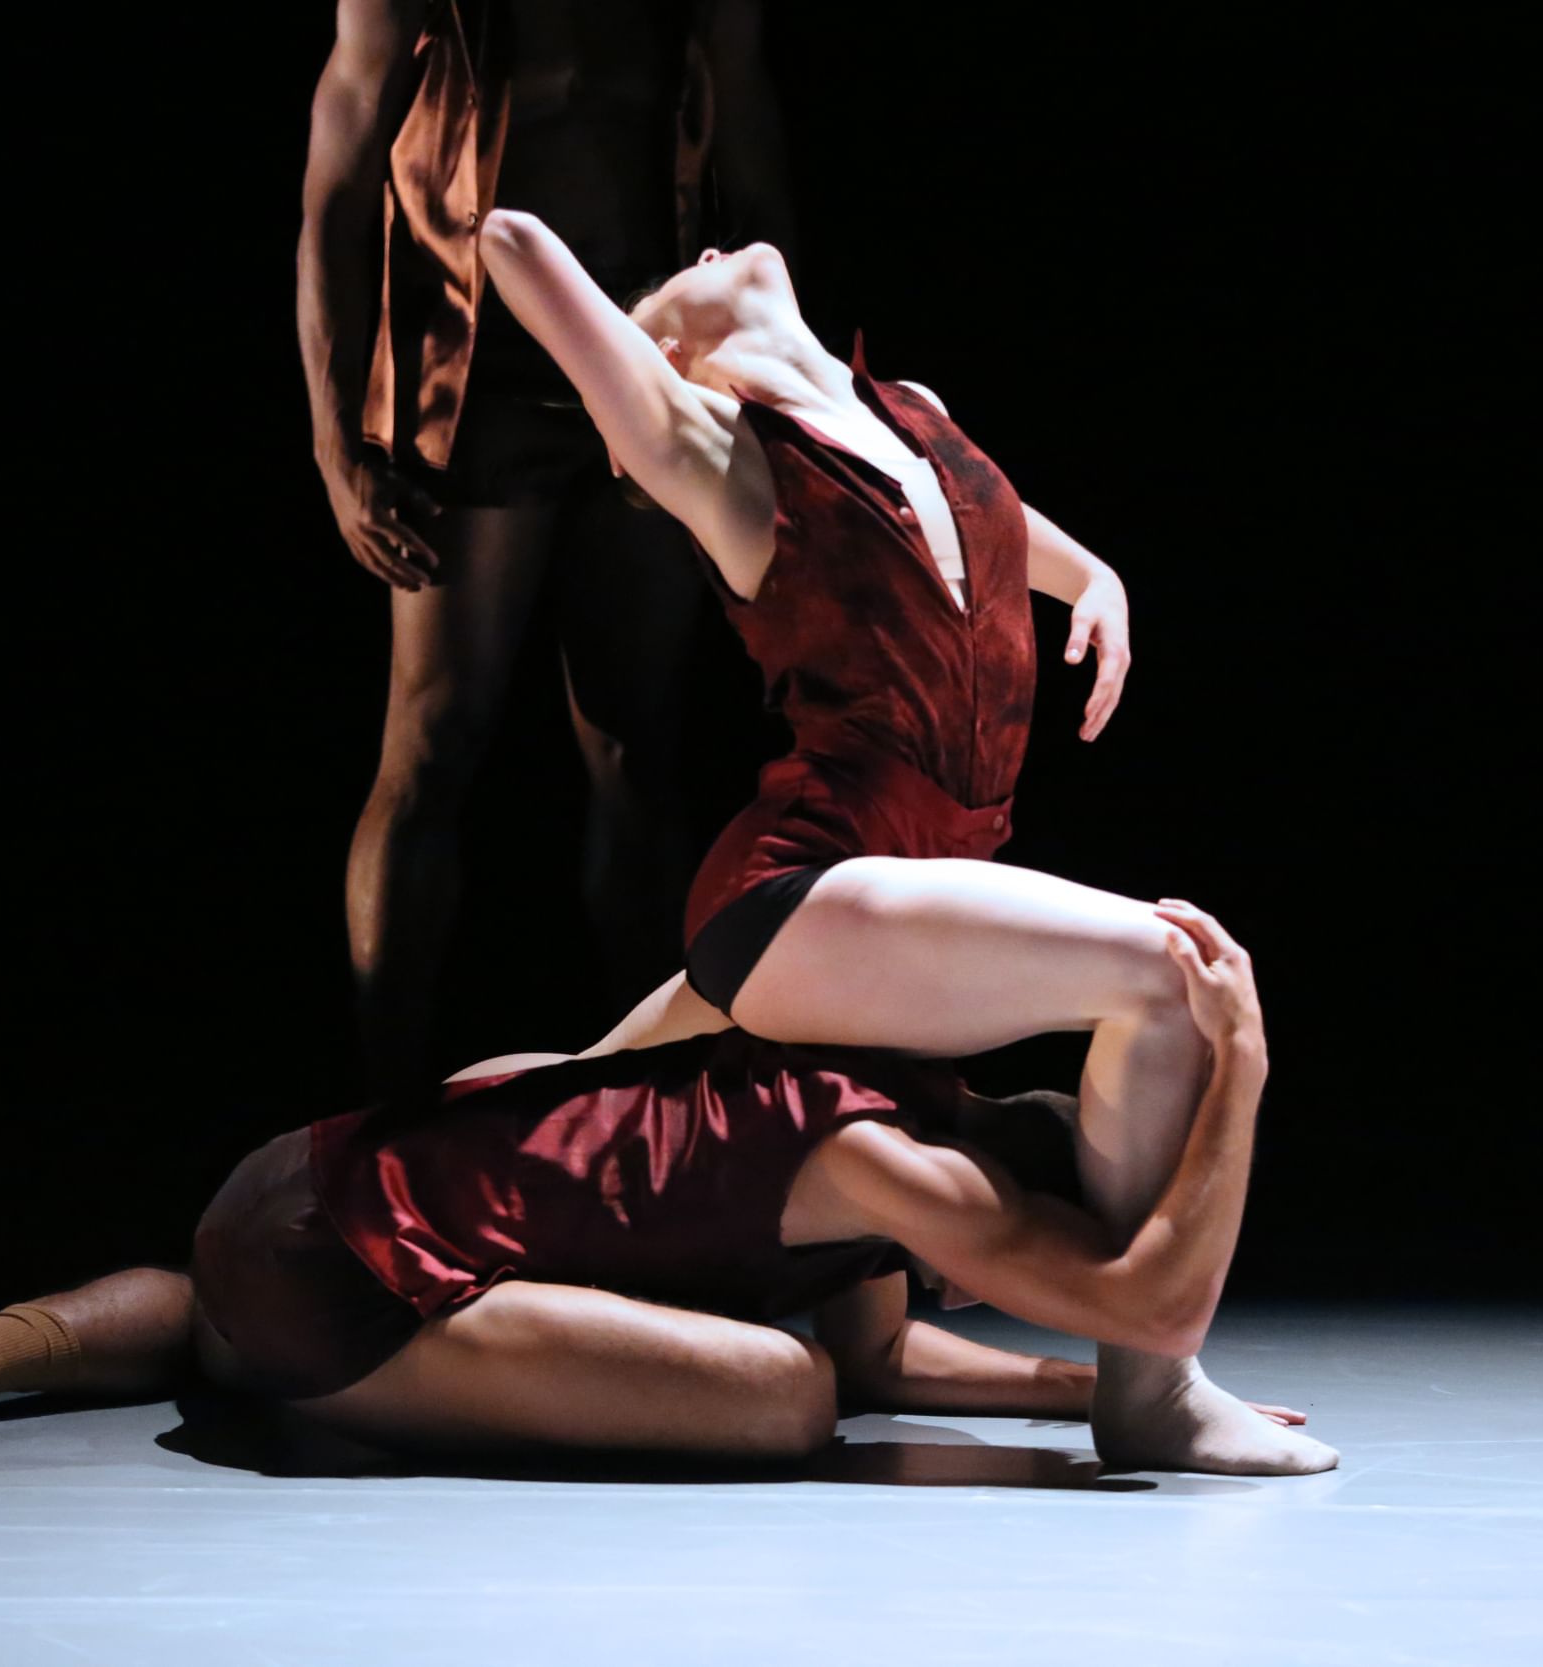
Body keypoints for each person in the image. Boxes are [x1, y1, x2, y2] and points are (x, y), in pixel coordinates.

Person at [474, 211, 1290, 1472]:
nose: (705, 257)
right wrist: (470, 197)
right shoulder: (716, 457)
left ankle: (408, 1226)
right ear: (678, 366)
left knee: (543, 1111)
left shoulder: (908, 407)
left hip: (900, 893)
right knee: (1167, 966)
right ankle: (1157, 1389)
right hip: (798, 888)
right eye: (671, 287)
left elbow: (982, 530)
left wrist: (1100, 580)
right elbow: (518, 245)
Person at [0, 905, 1336, 1475]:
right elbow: (1157, 1304)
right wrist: (1238, 1072)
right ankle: (285, 1384)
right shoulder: (895, 1168)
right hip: (339, 1267)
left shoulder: (886, 1107)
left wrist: (1068, 1388)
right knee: (777, 1402)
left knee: (227, 1317)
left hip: (293, 1187)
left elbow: (891, 1350)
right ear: (1016, 1198)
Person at [299, 0, 801, 1095]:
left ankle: (654, 1101)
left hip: (647, 365)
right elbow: (338, 172)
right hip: (470, 385)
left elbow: (752, 153)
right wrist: (340, 441)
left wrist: (782, 397)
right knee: (433, 744)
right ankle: (380, 1111)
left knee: (637, 749)